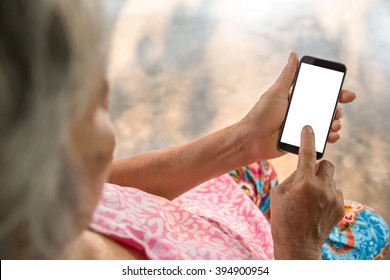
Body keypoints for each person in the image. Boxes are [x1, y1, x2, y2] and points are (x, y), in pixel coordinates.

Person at [0, 0, 388, 260]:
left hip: (216, 208)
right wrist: (299, 245)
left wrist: (242, 141)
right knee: (371, 229)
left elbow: (109, 191)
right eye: (91, 106)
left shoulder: (41, 209)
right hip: (275, 249)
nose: (109, 140)